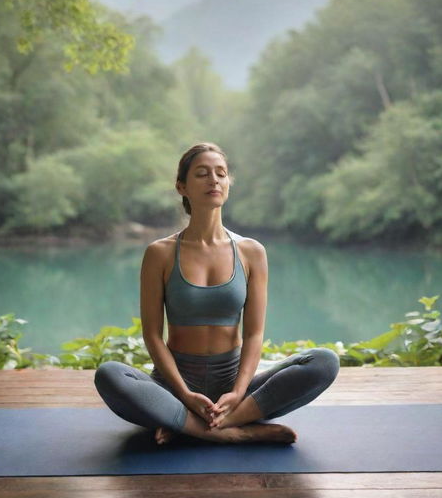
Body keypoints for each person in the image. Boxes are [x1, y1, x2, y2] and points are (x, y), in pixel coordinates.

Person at [94, 143, 340, 444]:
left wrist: (237, 392)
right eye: (202, 174)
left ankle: (200, 424)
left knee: (324, 361)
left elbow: (253, 333)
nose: (214, 180)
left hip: (234, 385)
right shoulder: (160, 253)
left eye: (221, 174)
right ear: (181, 186)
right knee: (109, 375)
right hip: (175, 386)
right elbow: (153, 335)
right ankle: (234, 434)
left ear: (228, 185)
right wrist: (183, 393)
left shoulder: (251, 252)